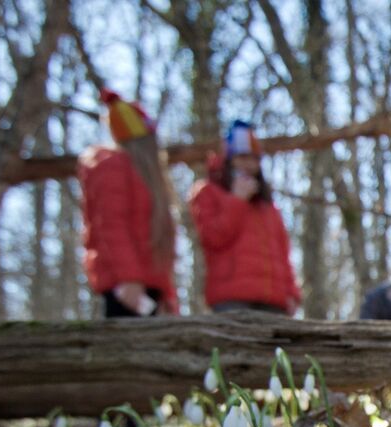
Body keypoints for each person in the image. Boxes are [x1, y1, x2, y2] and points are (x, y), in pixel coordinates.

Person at [77, 89, 179, 316]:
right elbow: (111, 227)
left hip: (151, 287)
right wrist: (128, 278)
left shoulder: (148, 177)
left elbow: (158, 242)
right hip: (125, 288)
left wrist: (167, 293)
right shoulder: (112, 167)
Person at [188, 120, 300, 314]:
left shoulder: (267, 207)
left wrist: (291, 292)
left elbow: (283, 253)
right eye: (243, 157)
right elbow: (213, 238)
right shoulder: (207, 192)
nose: (249, 164)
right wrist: (237, 200)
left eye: (255, 159)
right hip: (232, 299)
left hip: (274, 301)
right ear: (229, 159)